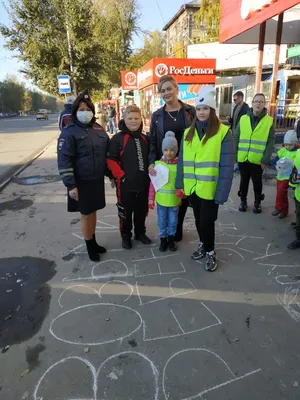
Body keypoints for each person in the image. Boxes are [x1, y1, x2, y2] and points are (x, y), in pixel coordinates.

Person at [176, 86, 235, 272]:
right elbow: (181, 163)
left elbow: (227, 167)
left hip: (211, 188)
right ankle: (203, 244)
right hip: (193, 188)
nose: (202, 112)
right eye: (199, 109)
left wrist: (222, 192)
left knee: (207, 222)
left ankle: (210, 251)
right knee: (198, 220)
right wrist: (180, 184)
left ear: (212, 110)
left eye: (206, 109)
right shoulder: (187, 133)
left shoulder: (224, 133)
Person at [57, 90, 110, 262]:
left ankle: (93, 241)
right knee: (86, 214)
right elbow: (64, 159)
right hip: (80, 182)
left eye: (88, 109)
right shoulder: (69, 131)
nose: (85, 112)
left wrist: (111, 175)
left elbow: (106, 154)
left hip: (96, 179)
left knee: (93, 212)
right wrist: (70, 185)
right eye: (81, 109)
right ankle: (89, 246)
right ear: (75, 112)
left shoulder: (98, 129)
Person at [148, 75, 196, 243]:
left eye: (169, 89)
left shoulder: (190, 111)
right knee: (167, 195)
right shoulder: (157, 116)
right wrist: (151, 161)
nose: (166, 93)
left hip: (186, 160)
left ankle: (177, 225)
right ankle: (166, 230)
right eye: (162, 91)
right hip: (165, 162)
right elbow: (153, 140)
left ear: (176, 89)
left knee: (182, 195)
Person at [107, 105, 152, 250]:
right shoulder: (118, 139)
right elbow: (111, 160)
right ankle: (125, 235)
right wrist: (121, 176)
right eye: (130, 118)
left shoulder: (145, 138)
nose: (133, 121)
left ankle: (140, 233)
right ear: (124, 119)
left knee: (141, 211)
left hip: (143, 184)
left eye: (136, 118)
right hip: (125, 185)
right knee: (125, 212)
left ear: (141, 120)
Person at [235, 93, 275, 213]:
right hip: (243, 158)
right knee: (243, 181)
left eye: (261, 102)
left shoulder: (269, 121)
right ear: (252, 103)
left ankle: (257, 202)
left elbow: (270, 141)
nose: (258, 103)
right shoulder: (243, 119)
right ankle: (243, 200)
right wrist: (235, 155)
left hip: (258, 160)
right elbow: (236, 137)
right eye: (256, 101)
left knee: (257, 182)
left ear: (264, 104)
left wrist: (265, 159)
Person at [148, 131, 185, 252]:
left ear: (176, 150)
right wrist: (151, 198)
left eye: (172, 150)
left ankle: (171, 240)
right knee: (161, 221)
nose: (169, 153)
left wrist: (182, 192)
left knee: (173, 221)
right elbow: (153, 184)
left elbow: (182, 181)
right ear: (163, 150)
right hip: (162, 201)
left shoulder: (180, 166)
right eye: (166, 150)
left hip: (174, 200)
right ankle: (163, 239)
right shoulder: (158, 165)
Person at [271, 130, 298, 219]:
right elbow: (276, 159)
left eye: (290, 145)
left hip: (289, 176)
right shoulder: (282, 151)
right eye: (286, 145)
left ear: (295, 143)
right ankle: (284, 211)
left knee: (281, 190)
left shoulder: (297, 152)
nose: (288, 147)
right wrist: (270, 162)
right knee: (282, 193)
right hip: (280, 175)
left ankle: (278, 207)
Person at [288, 149, 300, 249]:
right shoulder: (298, 153)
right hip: (299, 193)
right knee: (298, 214)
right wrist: (293, 179)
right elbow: (294, 169)